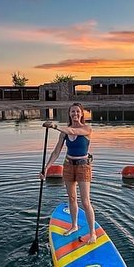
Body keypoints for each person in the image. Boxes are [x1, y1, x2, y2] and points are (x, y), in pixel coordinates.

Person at [40, 102, 97, 244]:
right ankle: (74, 225)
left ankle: (92, 233)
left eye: (78, 112)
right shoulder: (65, 133)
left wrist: (55, 126)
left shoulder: (87, 129)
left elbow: (73, 132)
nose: (75, 114)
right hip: (68, 165)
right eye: (73, 112)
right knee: (72, 198)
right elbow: (56, 151)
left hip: (83, 166)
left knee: (85, 201)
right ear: (69, 114)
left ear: (82, 114)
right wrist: (46, 168)